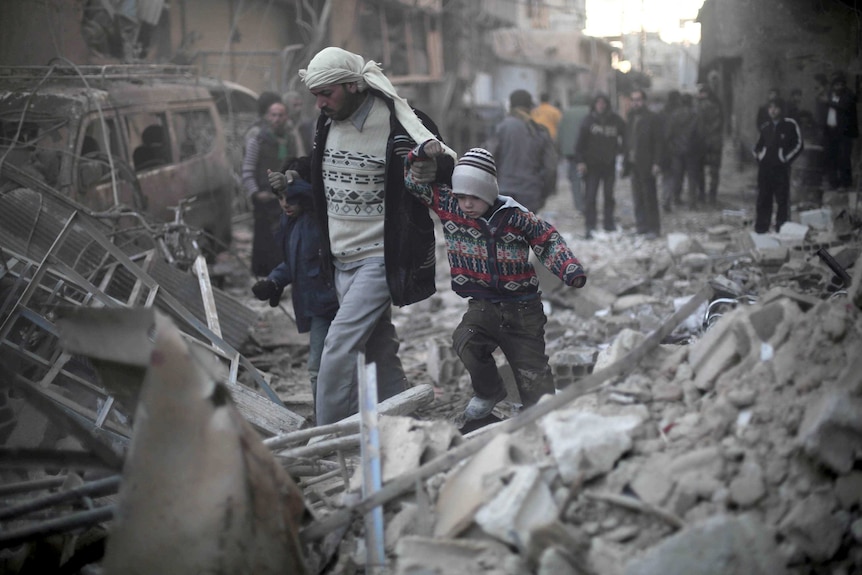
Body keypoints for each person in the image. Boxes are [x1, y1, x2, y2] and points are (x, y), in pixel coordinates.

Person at [268, 46, 456, 426]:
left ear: (354, 85)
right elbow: (324, 166)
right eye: (316, 95)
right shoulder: (327, 122)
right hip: (338, 257)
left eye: (328, 94)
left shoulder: (401, 123)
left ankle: (326, 435)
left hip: (379, 257)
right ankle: (403, 417)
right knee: (377, 346)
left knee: (338, 347)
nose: (320, 103)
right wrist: (295, 174)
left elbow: (447, 164)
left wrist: (431, 168)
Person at [404, 142, 587, 421]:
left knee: (532, 377)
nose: (467, 203)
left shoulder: (515, 217)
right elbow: (413, 182)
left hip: (523, 310)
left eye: (475, 197)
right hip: (483, 304)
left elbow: (547, 240)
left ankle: (543, 419)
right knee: (465, 342)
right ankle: (489, 391)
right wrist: (417, 154)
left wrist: (569, 269)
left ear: (490, 192)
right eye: (462, 195)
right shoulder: (450, 206)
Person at [250, 162, 338, 410]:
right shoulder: (292, 224)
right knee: (320, 368)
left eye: (291, 198)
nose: (285, 204)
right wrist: (273, 281)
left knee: (320, 368)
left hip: (334, 305)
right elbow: (293, 263)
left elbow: (317, 195)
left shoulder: (320, 219)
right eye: (280, 198)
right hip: (317, 307)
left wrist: (291, 182)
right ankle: (328, 421)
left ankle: (331, 421)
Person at [243, 99, 297, 277]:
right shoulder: (257, 141)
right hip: (264, 201)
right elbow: (248, 170)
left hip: (284, 199)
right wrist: (256, 193)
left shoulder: (290, 140)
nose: (277, 119)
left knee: (283, 239)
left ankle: (281, 277)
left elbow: (296, 166)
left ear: (286, 117)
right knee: (263, 241)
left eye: (280, 115)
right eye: (273, 115)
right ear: (267, 117)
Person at [486, 89, 557, 213]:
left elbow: (487, 159)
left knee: (504, 231)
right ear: (530, 107)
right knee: (525, 231)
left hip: (503, 192)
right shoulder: (539, 131)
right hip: (530, 192)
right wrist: (543, 192)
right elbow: (550, 167)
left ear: (511, 106)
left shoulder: (500, 128)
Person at [574, 93, 625, 238]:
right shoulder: (588, 121)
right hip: (591, 166)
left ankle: (608, 224)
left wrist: (622, 153)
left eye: (603, 103)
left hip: (609, 164)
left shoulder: (615, 120)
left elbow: (626, 136)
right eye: (598, 103)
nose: (601, 105)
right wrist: (580, 161)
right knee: (590, 197)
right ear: (594, 104)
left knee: (609, 195)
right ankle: (590, 226)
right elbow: (579, 144)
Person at [753, 97, 803, 234]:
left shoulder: (790, 125)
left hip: (781, 169)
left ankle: (782, 228)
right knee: (763, 198)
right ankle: (762, 228)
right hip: (765, 169)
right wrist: (760, 156)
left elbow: (799, 144)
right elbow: (757, 146)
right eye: (770, 108)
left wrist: (785, 158)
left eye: (775, 107)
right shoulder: (765, 127)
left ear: (781, 109)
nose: (772, 110)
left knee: (782, 199)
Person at [623, 89, 664, 238]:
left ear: (644, 101)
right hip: (634, 163)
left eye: (638, 99)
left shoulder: (652, 118)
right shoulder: (631, 117)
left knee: (649, 196)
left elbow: (659, 142)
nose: (636, 103)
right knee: (637, 196)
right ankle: (641, 226)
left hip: (647, 162)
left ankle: (654, 228)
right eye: (633, 100)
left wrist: (657, 162)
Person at [664, 93, 700, 211]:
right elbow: (701, 133)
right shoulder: (695, 115)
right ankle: (692, 203)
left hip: (676, 151)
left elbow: (669, 133)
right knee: (692, 177)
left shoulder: (674, 115)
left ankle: (676, 198)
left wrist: (671, 146)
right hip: (692, 150)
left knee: (677, 176)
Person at [822, 71, 858, 190]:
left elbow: (844, 107)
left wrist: (829, 102)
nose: (838, 87)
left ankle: (845, 183)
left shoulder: (849, 95)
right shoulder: (830, 95)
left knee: (844, 158)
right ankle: (833, 183)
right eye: (836, 85)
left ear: (844, 85)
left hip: (844, 133)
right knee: (830, 157)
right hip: (830, 132)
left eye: (840, 84)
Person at [557, 94, 591, 213]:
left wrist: (561, 149)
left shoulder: (567, 113)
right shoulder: (589, 111)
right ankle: (588, 202)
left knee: (574, 179)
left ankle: (579, 205)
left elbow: (560, 131)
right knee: (589, 179)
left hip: (571, 152)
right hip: (588, 151)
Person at [695, 83, 724, 206]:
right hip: (715, 142)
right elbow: (720, 123)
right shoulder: (717, 105)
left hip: (702, 143)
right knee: (714, 171)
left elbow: (697, 126)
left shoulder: (698, 107)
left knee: (700, 170)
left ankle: (702, 195)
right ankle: (712, 196)